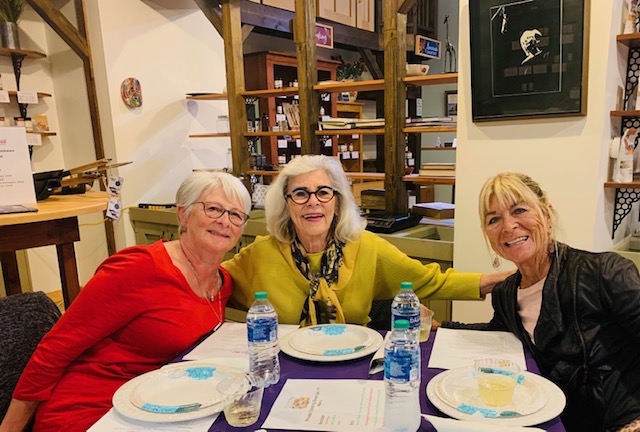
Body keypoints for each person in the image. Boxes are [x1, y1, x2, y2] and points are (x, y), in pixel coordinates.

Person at [0, 171, 252, 432]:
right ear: (183, 215)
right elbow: (56, 349)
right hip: (93, 409)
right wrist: (11, 427)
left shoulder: (221, 282)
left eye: (236, 215)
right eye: (213, 209)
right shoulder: (139, 268)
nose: (225, 221)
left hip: (160, 406)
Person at [442, 172, 640, 432]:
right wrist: (440, 327)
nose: (508, 226)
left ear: (547, 216)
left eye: (519, 210)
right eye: (494, 219)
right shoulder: (505, 293)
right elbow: (498, 334)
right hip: (551, 422)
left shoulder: (605, 273)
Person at [222, 155, 510, 327]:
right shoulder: (261, 253)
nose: (313, 202)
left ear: (337, 202)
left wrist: (494, 280)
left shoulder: (366, 247)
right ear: (286, 204)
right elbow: (212, 285)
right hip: (284, 367)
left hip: (353, 366)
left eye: (323, 192)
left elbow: (431, 281)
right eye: (300, 194)